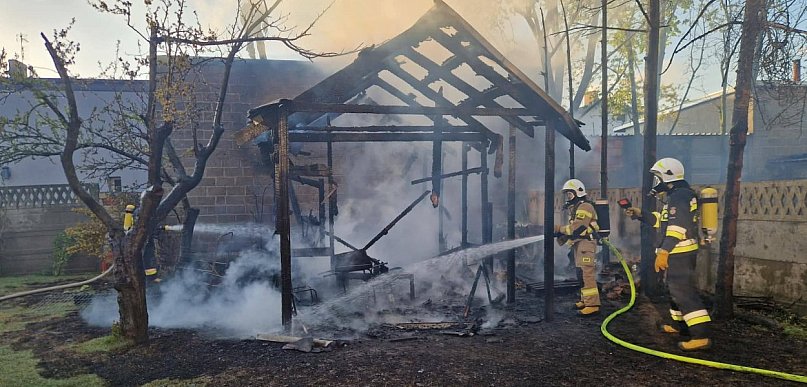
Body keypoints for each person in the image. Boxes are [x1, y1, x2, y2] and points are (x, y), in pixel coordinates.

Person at [624, 157, 712, 351]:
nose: (657, 183)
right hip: (677, 252)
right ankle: (681, 327)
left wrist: (664, 251)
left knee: (684, 292)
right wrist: (640, 214)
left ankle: (701, 335)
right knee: (674, 291)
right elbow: (662, 222)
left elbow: (677, 227)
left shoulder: (679, 196)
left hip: (679, 252)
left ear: (667, 176)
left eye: (658, 177)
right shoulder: (676, 196)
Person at [554, 179, 601, 316]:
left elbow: (578, 227)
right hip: (579, 245)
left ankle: (593, 305)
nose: (568, 198)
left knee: (587, 274)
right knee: (581, 274)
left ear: (578, 192)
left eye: (570, 194)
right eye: (567, 195)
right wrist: (561, 235)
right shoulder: (576, 208)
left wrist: (559, 229)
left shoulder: (585, 206)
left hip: (586, 244)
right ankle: (585, 300)